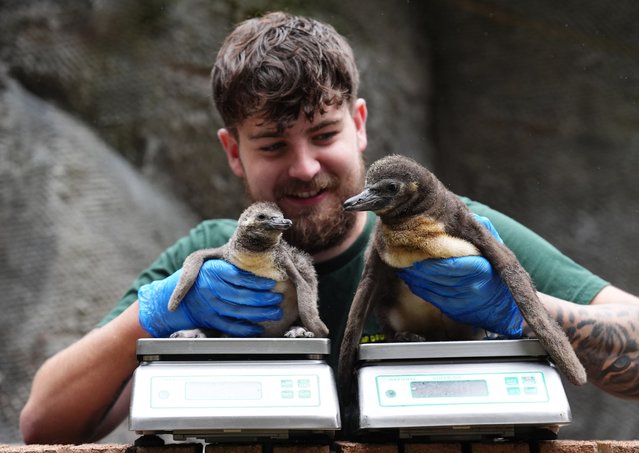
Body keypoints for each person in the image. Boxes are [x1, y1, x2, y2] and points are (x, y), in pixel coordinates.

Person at [20, 11, 639, 445]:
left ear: (360, 124)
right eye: (272, 145)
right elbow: (43, 424)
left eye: (324, 136)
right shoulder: (207, 258)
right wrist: (155, 317)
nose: (306, 167)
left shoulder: (453, 227)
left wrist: (523, 307)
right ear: (233, 153)